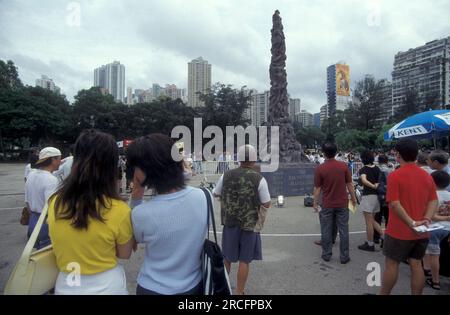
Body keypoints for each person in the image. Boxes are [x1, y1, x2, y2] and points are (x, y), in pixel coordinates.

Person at [48, 130, 134, 295]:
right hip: (108, 287)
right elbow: (124, 253)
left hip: (66, 285)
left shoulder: (55, 202)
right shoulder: (119, 209)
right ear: (111, 165)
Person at [127, 134, 208, 295]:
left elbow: (133, 244)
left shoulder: (141, 213)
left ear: (144, 170)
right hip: (194, 286)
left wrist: (136, 195)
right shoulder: (204, 196)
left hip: (153, 287)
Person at [380, 138, 438, 295]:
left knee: (391, 265)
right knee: (416, 264)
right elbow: (434, 200)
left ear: (398, 155)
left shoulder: (395, 176)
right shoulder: (427, 176)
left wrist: (411, 222)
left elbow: (394, 204)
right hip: (422, 230)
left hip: (399, 231)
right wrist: (426, 218)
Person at [213, 145, 271, 295]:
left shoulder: (226, 175)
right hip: (250, 224)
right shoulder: (259, 179)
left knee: (227, 258)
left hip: (230, 222)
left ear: (238, 159)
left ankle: (224, 291)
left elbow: (215, 193)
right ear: (253, 159)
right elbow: (267, 203)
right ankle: (239, 292)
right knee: (244, 261)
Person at [313, 142, 357, 264]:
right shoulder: (343, 166)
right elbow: (349, 184)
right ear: (336, 152)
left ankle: (326, 254)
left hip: (327, 204)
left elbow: (317, 188)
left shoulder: (320, 168)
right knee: (343, 230)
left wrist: (315, 203)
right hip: (342, 203)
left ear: (323, 153)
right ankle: (344, 256)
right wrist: (353, 199)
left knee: (326, 229)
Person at [25, 147, 61, 249]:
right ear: (53, 160)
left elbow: (27, 202)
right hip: (45, 222)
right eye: (59, 159)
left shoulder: (31, 175)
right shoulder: (51, 179)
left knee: (39, 253)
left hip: (33, 220)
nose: (60, 162)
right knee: (47, 256)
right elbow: (51, 207)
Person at [422, 171, 450, 290]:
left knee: (434, 255)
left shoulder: (432, 196)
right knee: (431, 251)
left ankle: (435, 281)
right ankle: (427, 269)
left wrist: (445, 217)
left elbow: (431, 215)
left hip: (434, 228)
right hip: (447, 228)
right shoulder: (449, 195)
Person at [358, 150, 384, 252]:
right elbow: (379, 181)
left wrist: (372, 186)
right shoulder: (377, 168)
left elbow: (363, 180)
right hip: (377, 197)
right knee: (372, 220)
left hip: (368, 196)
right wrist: (375, 185)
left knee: (368, 222)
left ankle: (370, 244)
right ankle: (384, 237)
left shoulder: (364, 169)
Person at [374, 155, 391, 245]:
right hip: (389, 196)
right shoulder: (391, 170)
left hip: (378, 196)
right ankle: (388, 237)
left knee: (377, 217)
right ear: (387, 161)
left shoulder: (377, 170)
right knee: (388, 219)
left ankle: (376, 237)